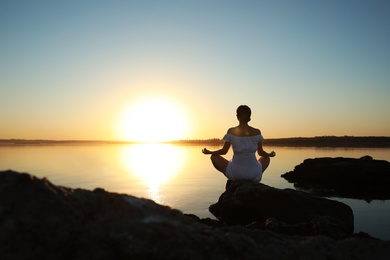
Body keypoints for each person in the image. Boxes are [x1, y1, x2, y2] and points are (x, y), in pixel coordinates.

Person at [202, 105, 276, 182]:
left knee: (214, 157)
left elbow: (224, 151)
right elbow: (261, 153)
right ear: (249, 117)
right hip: (253, 174)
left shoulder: (231, 131)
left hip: (236, 174)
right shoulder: (256, 132)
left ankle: (234, 179)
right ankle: (255, 174)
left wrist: (210, 152)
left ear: (237, 116)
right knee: (266, 158)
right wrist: (269, 154)